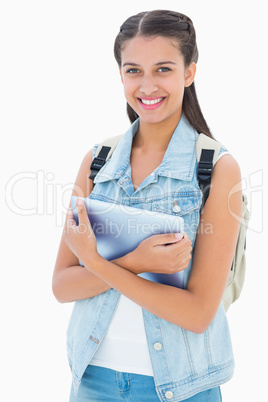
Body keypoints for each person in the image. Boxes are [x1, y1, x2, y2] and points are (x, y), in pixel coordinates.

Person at [52, 9, 242, 402]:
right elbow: (62, 286)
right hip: (92, 382)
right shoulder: (98, 160)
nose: (148, 85)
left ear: (189, 73)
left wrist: (100, 263)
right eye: (134, 70)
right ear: (121, 74)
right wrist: (136, 262)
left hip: (184, 387)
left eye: (164, 69)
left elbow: (197, 313)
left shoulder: (216, 170)